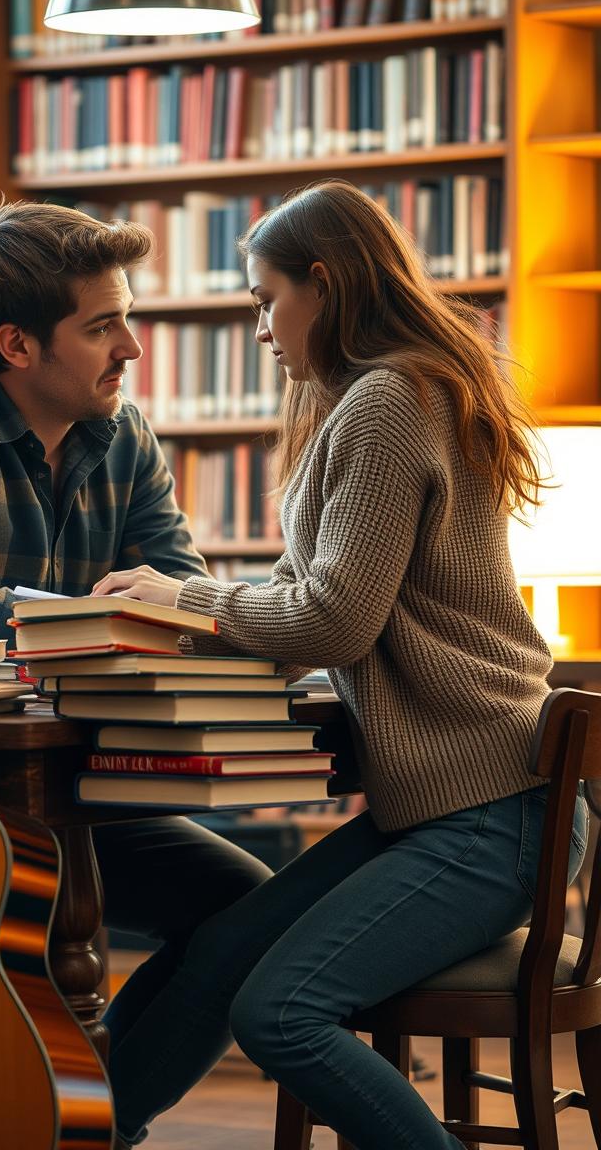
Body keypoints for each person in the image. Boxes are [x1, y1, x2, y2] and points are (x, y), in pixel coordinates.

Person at [91, 180, 591, 1149]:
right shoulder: (370, 398)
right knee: (220, 954)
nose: (260, 330)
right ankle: (75, 1131)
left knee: (277, 1010)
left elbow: (329, 620)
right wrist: (198, 623)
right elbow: (304, 587)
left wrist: (181, 597)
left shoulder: (389, 399)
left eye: (264, 299)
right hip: (457, 807)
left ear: (323, 285)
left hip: (492, 817)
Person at [0, 201, 271, 1150]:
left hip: (72, 778)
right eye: (103, 323)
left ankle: (94, 1124)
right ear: (17, 345)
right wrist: (132, 620)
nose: (134, 347)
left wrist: (156, 615)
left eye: (126, 316)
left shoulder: (120, 431)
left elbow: (187, 593)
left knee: (250, 912)